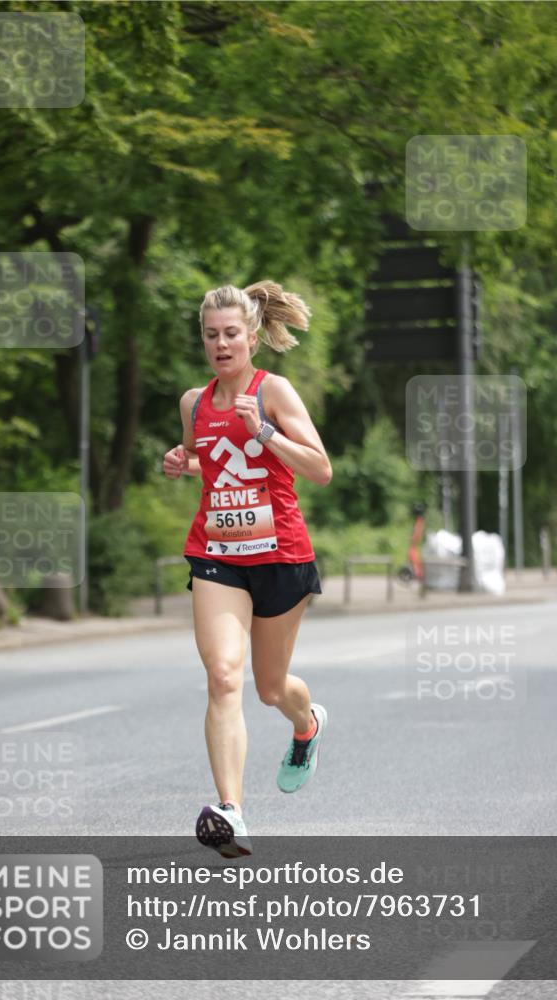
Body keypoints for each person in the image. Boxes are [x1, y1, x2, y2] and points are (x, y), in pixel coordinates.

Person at [163, 281, 332, 859]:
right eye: (211, 335)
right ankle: (230, 811)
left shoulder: (273, 391)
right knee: (222, 677)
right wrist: (180, 461)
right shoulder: (193, 402)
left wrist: (264, 430)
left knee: (270, 688)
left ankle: (307, 725)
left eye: (231, 333)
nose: (220, 344)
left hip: (280, 554)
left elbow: (320, 469)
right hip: (217, 554)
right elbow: (206, 459)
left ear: (252, 338)